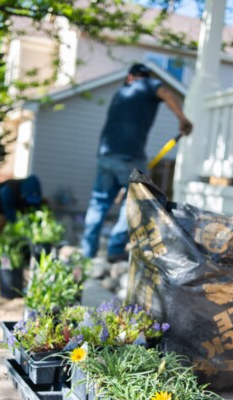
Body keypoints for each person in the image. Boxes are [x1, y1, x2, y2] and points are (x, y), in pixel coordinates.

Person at [81, 63, 193, 262]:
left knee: (98, 202)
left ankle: (87, 252)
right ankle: (115, 248)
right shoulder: (149, 85)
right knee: (135, 201)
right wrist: (182, 118)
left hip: (106, 154)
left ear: (130, 77)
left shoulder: (120, 93)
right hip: (130, 155)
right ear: (143, 77)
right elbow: (166, 93)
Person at [0, 174, 42, 248]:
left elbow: (35, 207)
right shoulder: (10, 188)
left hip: (7, 206)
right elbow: (9, 209)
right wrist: (13, 221)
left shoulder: (33, 191)